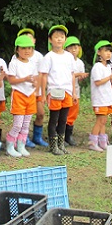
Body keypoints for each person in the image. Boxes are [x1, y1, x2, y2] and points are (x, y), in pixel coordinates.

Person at [39, 25, 77, 156]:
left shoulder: (69, 56)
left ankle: (61, 144)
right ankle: (53, 145)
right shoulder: (48, 57)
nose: (59, 39)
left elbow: (72, 74)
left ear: (65, 39)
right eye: (56, 37)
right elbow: (43, 76)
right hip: (54, 90)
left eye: (62, 37)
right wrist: (43, 94)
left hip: (67, 91)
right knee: (54, 118)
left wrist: (74, 92)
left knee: (63, 119)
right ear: (50, 39)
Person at [15, 28, 49, 148]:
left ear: (34, 41)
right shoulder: (16, 58)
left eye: (29, 38)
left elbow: (42, 74)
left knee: (40, 113)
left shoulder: (39, 56)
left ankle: (37, 137)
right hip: (23, 92)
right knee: (24, 116)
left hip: (37, 91)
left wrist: (40, 91)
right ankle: (24, 138)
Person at [6, 35, 39, 158]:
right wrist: (25, 79)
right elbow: (12, 80)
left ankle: (21, 145)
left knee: (26, 124)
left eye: (29, 48)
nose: (27, 51)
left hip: (30, 95)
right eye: (23, 48)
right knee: (18, 124)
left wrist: (35, 83)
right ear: (17, 49)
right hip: (19, 95)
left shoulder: (33, 63)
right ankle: (10, 145)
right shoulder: (14, 63)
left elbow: (35, 79)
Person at [88, 40, 112, 152]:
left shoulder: (107, 67)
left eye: (110, 51)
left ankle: (102, 141)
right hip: (99, 99)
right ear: (99, 52)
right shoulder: (97, 67)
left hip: (107, 98)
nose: (108, 53)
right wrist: (110, 78)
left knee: (104, 120)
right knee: (99, 120)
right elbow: (98, 82)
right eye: (105, 51)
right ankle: (93, 141)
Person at [64, 36, 88, 146]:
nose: (74, 50)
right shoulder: (64, 60)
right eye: (71, 48)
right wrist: (78, 74)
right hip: (65, 90)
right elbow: (69, 75)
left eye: (76, 47)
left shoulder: (80, 62)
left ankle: (68, 135)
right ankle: (60, 134)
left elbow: (79, 79)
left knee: (73, 113)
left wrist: (82, 77)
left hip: (76, 91)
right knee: (63, 112)